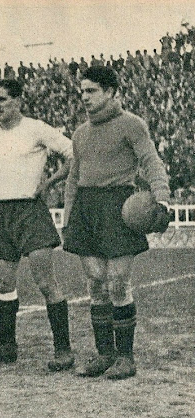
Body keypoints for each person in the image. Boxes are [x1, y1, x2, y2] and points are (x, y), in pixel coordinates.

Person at [63, 66, 170, 380]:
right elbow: (73, 178)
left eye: (91, 90)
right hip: (86, 205)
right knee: (96, 281)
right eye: (82, 91)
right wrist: (69, 216)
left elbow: (151, 160)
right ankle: (104, 354)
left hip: (118, 206)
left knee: (118, 280)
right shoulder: (80, 133)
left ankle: (125, 357)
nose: (84, 97)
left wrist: (161, 197)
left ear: (110, 92)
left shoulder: (132, 124)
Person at [0, 79, 75, 372]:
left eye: (2, 99)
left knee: (45, 282)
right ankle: (6, 347)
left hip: (30, 210)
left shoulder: (36, 128)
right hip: (2, 211)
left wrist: (49, 183)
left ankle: (64, 350)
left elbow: (72, 154)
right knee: (4, 283)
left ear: (17, 101)